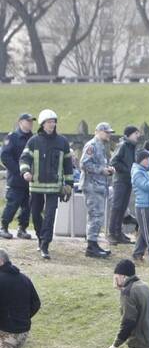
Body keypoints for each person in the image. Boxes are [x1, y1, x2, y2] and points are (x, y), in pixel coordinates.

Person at [19, 109, 73, 260]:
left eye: (54, 121)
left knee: (49, 217)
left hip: (54, 187)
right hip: (35, 186)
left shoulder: (62, 142)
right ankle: (39, 237)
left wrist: (69, 184)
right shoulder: (33, 141)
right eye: (49, 122)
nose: (52, 124)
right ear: (42, 124)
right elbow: (24, 159)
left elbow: (68, 165)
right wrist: (25, 172)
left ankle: (45, 245)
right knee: (35, 215)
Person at [80, 122, 116, 259]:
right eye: (107, 132)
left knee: (98, 216)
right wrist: (101, 170)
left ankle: (94, 243)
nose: (109, 135)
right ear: (98, 131)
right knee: (95, 216)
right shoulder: (92, 145)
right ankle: (91, 245)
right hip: (92, 186)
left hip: (100, 185)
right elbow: (84, 164)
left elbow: (100, 163)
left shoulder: (102, 146)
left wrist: (108, 169)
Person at [1, 113, 35, 240]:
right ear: (20, 122)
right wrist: (19, 170)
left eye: (32, 121)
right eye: (28, 121)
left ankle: (22, 228)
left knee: (27, 205)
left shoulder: (33, 138)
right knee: (13, 203)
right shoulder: (13, 137)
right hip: (16, 178)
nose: (30, 123)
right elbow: (5, 156)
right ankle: (3, 227)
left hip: (30, 179)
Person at [108, 126, 140, 245]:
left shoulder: (132, 147)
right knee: (117, 206)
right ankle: (112, 233)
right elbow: (114, 161)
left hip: (128, 180)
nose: (138, 135)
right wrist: (127, 170)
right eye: (136, 133)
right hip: (120, 180)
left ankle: (118, 232)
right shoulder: (123, 146)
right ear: (129, 134)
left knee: (123, 207)